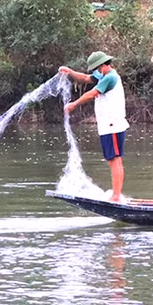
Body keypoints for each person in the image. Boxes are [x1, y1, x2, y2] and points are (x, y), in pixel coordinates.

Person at [59, 51, 129, 202]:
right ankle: (115, 194)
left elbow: (92, 93)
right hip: (107, 125)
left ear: (103, 65)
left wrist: (73, 104)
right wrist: (70, 72)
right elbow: (84, 78)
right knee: (112, 160)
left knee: (114, 160)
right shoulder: (102, 75)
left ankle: (116, 196)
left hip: (113, 124)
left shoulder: (110, 77)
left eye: (97, 68)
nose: (96, 71)